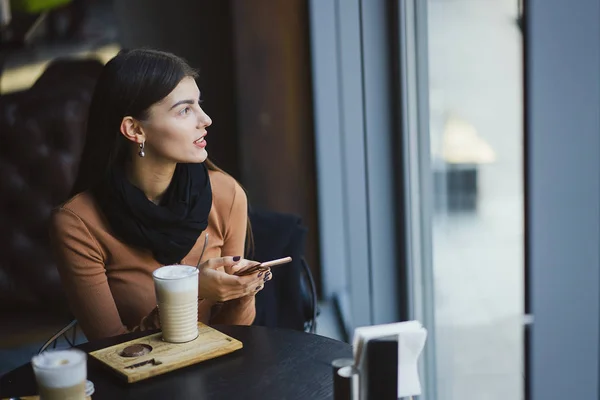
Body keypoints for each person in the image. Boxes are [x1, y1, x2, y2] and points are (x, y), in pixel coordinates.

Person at [49, 48, 269, 341]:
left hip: (222, 372)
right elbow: (110, 349)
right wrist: (193, 292)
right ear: (135, 129)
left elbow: (235, 334)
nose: (206, 120)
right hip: (138, 383)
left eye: (198, 105)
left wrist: (244, 290)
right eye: (185, 110)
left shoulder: (226, 194)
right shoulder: (77, 225)